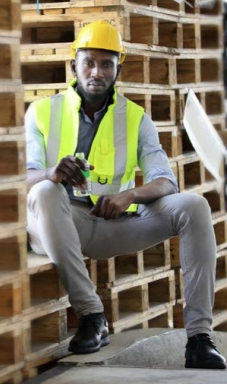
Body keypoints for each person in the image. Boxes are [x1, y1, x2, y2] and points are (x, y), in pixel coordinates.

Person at [25, 20, 226, 369]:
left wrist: (127, 196)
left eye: (106, 64)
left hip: (105, 224)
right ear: (74, 63)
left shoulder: (135, 118)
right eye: (89, 62)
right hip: (54, 225)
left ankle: (199, 338)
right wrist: (51, 172)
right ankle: (92, 315)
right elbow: (22, 177)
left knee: (194, 205)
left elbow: (166, 182)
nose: (96, 72)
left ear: (119, 68)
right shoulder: (42, 112)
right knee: (45, 190)